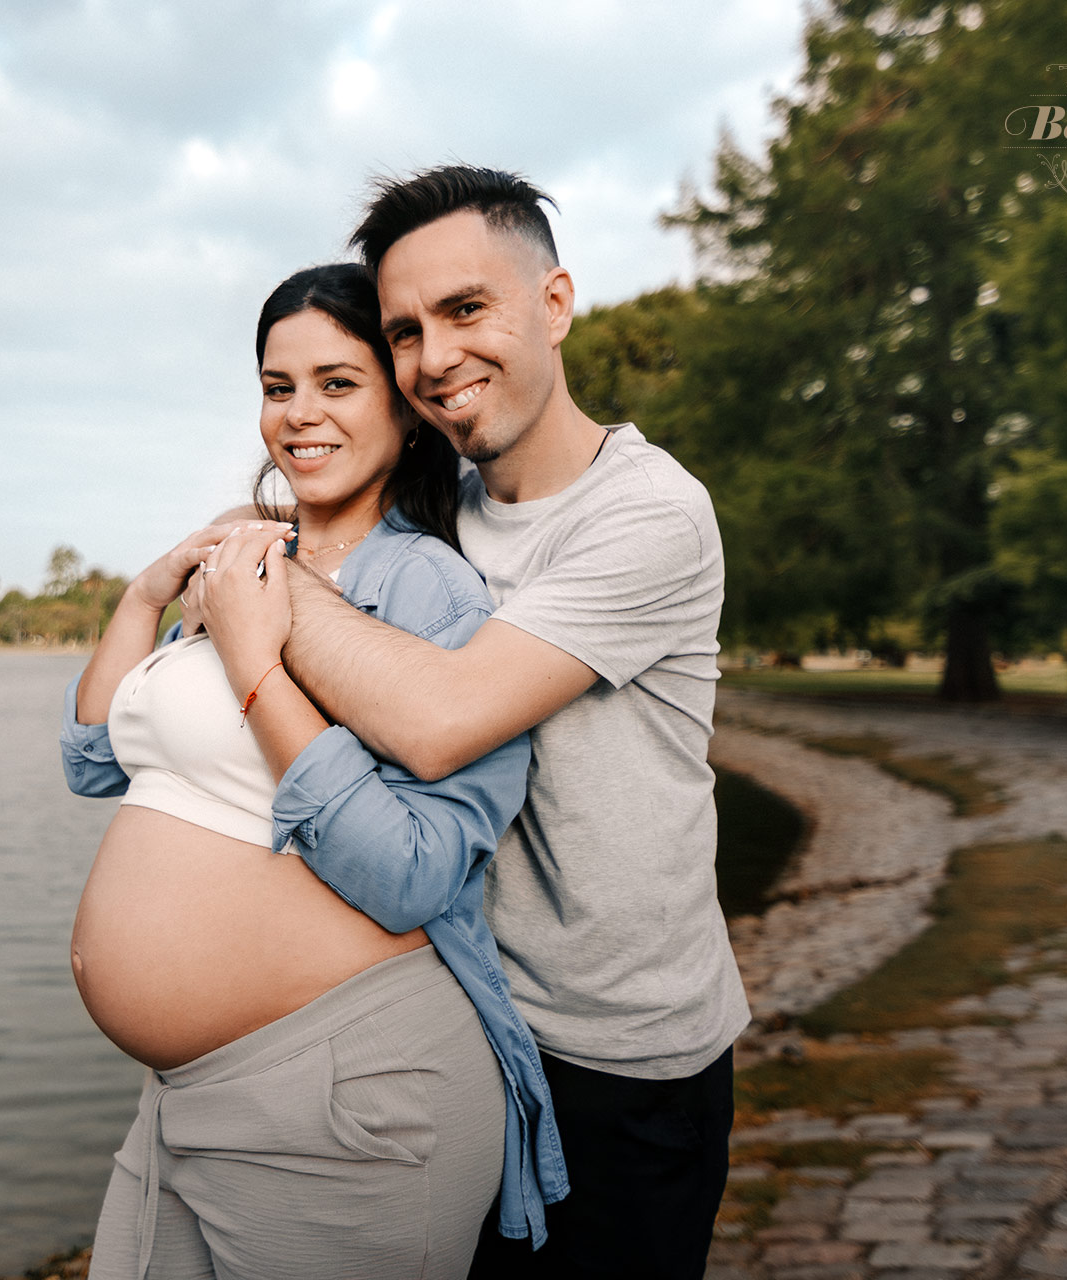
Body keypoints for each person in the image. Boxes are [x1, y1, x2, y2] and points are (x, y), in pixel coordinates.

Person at [210, 166, 749, 1279]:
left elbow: (442, 719)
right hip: (463, 1030)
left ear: (554, 304)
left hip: (622, 1063)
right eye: (404, 330)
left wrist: (260, 574)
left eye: (466, 310)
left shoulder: (647, 512)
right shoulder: (434, 516)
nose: (435, 357)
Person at [58, 262, 567, 1280]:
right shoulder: (251, 555)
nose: (299, 414)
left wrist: (256, 664)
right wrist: (140, 600)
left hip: (348, 1098)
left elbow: (418, 875)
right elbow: (96, 761)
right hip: (185, 1094)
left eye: (337, 382)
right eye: (276, 385)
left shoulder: (429, 587)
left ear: (405, 403)